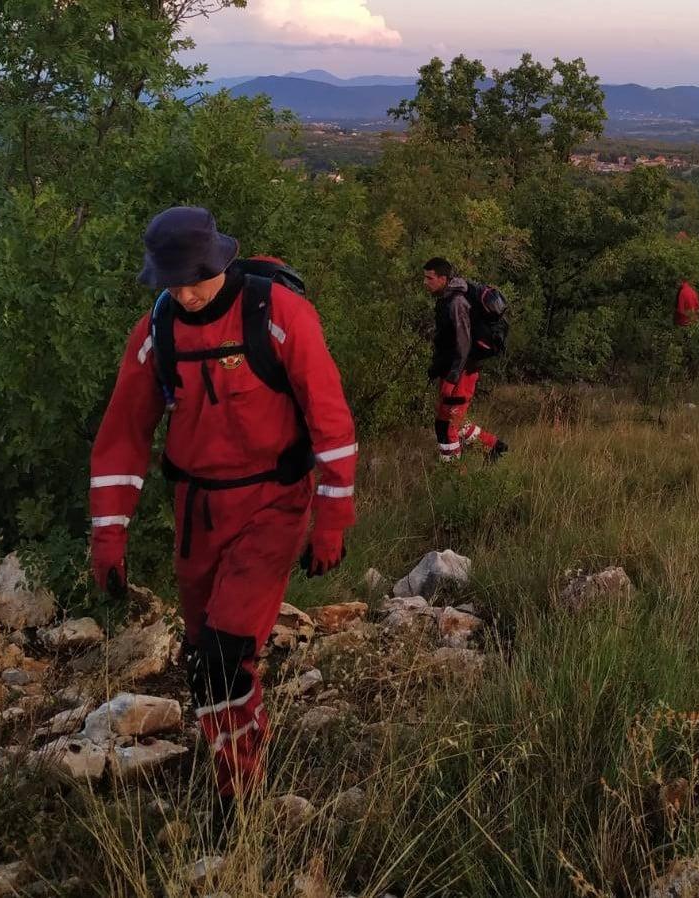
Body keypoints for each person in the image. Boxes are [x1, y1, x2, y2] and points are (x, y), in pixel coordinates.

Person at [89, 206, 357, 809]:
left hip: (274, 504)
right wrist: (108, 536)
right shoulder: (159, 331)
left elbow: (331, 420)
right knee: (201, 656)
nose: (184, 293)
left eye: (194, 278)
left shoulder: (280, 315)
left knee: (224, 657)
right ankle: (234, 767)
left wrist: (333, 517)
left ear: (220, 260)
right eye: (171, 282)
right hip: (197, 516)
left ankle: (238, 802)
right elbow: (122, 438)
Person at [423, 257, 508, 463]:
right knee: (454, 422)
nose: (426, 282)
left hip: (461, 373)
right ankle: (494, 446)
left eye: (430, 278)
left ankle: (453, 477)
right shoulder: (447, 299)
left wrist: (452, 378)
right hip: (454, 371)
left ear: (443, 278)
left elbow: (463, 343)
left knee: (447, 426)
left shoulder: (457, 302)